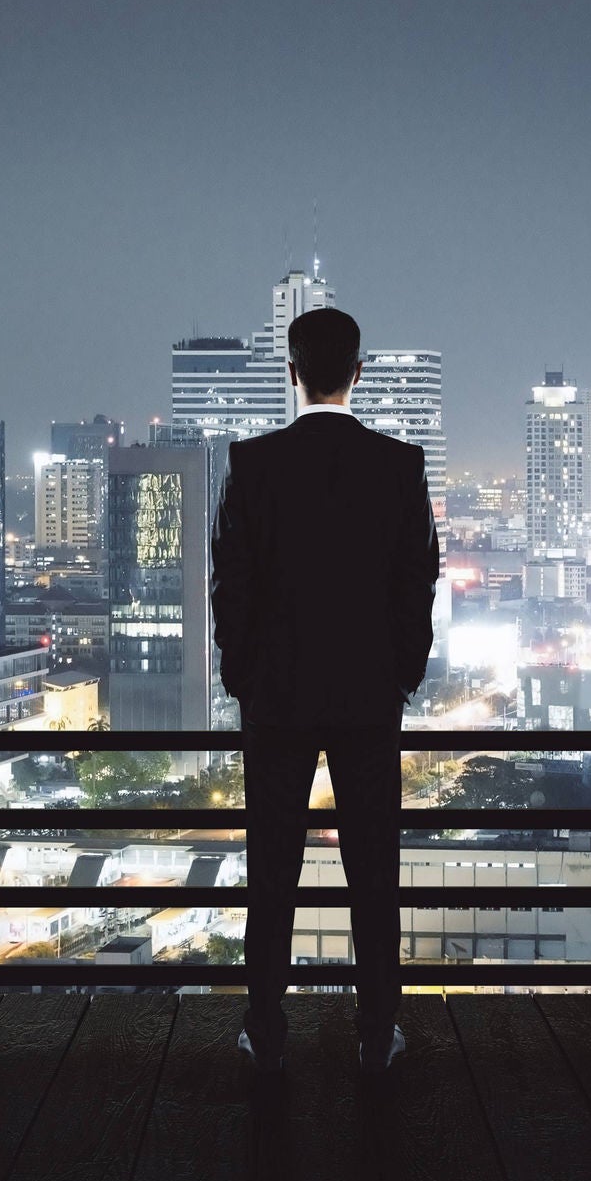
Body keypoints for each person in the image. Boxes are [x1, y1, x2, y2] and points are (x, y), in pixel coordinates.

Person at [210, 306, 441, 1075]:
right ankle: (378, 1030)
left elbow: (229, 590)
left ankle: (265, 1031)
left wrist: (244, 677)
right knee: (374, 870)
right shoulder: (399, 467)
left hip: (276, 699)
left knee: (271, 868)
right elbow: (419, 585)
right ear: (359, 372)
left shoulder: (252, 465)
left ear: (291, 371)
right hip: (368, 698)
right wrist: (400, 674)